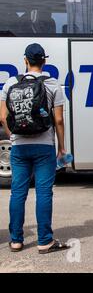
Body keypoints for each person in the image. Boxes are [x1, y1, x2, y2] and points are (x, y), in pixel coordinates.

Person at [0, 43, 69, 253]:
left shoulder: (11, 82)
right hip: (44, 145)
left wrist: (12, 136)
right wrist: (62, 148)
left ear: (25, 61)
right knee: (44, 193)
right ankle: (44, 241)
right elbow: (58, 120)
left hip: (19, 147)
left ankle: (16, 240)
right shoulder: (52, 83)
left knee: (17, 193)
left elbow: (3, 116)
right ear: (44, 61)